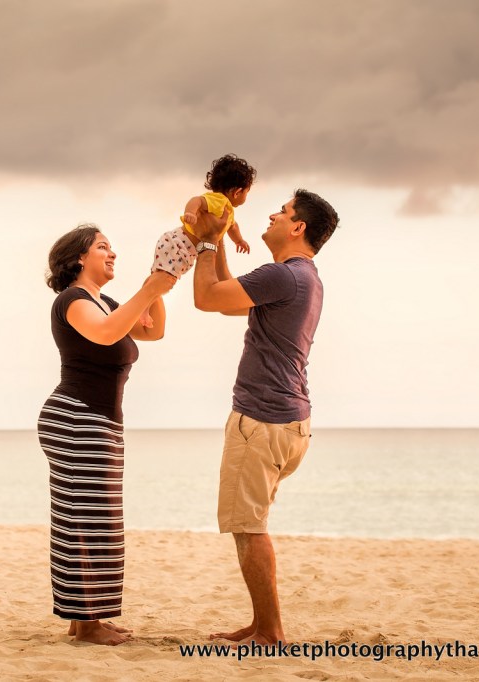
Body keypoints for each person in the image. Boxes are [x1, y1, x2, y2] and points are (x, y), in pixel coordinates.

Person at [191, 188, 340, 645]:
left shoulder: (283, 275)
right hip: (289, 421)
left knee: (248, 527)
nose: (273, 215)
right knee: (250, 524)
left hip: (262, 420)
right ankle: (261, 625)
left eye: (284, 211)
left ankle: (270, 631)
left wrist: (205, 240)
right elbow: (229, 300)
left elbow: (205, 298)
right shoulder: (303, 277)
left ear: (298, 227)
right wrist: (218, 239)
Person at [37, 224, 176, 646]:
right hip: (77, 418)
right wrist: (149, 287)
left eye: (112, 247)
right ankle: (86, 623)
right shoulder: (73, 300)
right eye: (102, 247)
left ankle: (85, 617)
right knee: (86, 520)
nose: (112, 253)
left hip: (97, 421)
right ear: (80, 257)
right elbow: (105, 333)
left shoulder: (107, 303)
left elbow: (153, 331)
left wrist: (157, 282)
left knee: (96, 521)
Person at [152, 154, 256, 280]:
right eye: (247, 192)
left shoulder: (226, 209)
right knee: (165, 280)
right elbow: (197, 200)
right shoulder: (218, 200)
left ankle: (150, 291)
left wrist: (239, 241)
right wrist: (190, 213)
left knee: (159, 279)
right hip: (179, 244)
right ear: (237, 192)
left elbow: (233, 227)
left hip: (183, 248)